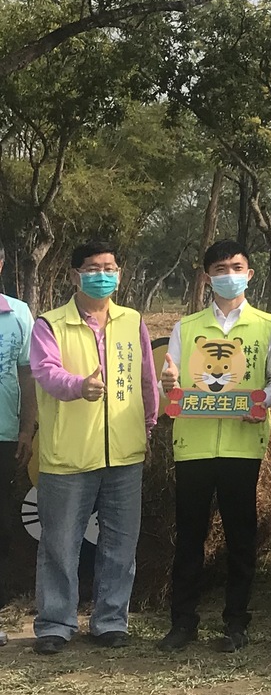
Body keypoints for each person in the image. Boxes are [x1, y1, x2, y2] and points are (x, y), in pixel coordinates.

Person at [157, 241, 271, 653]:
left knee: (240, 537)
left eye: (236, 267)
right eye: (219, 268)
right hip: (193, 446)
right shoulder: (187, 327)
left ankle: (236, 623)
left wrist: (262, 402)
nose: (228, 275)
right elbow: (174, 381)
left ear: (249, 274)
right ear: (206, 276)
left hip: (242, 446)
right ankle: (183, 622)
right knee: (191, 537)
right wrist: (169, 384)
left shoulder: (269, 325)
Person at [28, 239, 158, 654]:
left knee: (120, 543)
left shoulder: (132, 320)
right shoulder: (50, 324)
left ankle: (109, 620)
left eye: (110, 267)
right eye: (93, 268)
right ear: (74, 275)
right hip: (68, 455)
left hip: (124, 453)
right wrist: (78, 386)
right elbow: (45, 372)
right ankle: (54, 623)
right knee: (59, 545)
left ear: (119, 273)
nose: (102, 275)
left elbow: (145, 379)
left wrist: (149, 427)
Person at [0, 240, 35, 646]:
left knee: (0, 524)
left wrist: (28, 429)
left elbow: (28, 376)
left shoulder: (19, 313)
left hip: (5, 435)